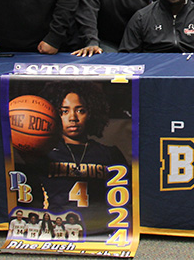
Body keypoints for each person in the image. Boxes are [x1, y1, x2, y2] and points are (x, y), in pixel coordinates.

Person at [39, 82, 128, 232]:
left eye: (80, 110)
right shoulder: (44, 153)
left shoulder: (109, 154)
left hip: (100, 228)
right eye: (64, 111)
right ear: (53, 114)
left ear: (92, 113)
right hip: (57, 229)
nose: (73, 117)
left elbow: (124, 200)